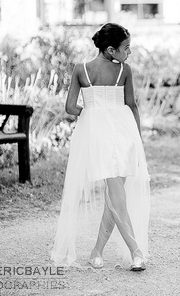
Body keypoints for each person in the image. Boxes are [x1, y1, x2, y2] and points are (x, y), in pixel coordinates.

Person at [51, 23, 150, 271]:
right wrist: (137, 141)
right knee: (117, 193)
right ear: (110, 50)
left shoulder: (80, 70)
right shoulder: (124, 71)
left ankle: (97, 251)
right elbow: (132, 106)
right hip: (124, 132)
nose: (129, 53)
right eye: (126, 48)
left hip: (99, 135)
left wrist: (92, 113)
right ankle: (136, 251)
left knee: (114, 197)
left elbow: (70, 108)